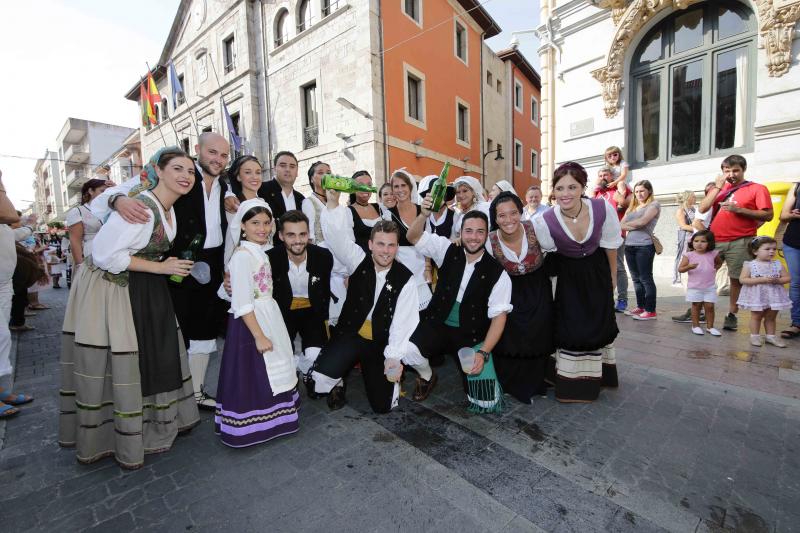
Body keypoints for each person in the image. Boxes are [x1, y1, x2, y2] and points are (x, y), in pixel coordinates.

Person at [59, 148, 200, 469]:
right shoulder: (143, 208)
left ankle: (152, 425)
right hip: (110, 287)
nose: (185, 176)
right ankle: (117, 437)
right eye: (177, 168)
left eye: (191, 171)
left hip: (142, 284)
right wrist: (163, 268)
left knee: (152, 352)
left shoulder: (165, 207)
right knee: (121, 359)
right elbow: (106, 255)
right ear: (158, 171)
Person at [97, 132, 232, 410]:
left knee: (206, 331)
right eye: (212, 153)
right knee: (173, 333)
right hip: (173, 269)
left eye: (223, 155)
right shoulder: (176, 172)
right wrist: (119, 201)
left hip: (212, 268)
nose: (218, 159)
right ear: (198, 150)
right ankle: (171, 398)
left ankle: (196, 393)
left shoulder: (226, 185)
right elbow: (109, 195)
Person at [311, 190, 423, 413]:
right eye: (380, 244)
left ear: (397, 247)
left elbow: (404, 322)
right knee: (319, 380)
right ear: (370, 244)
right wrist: (332, 204)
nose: (386, 251)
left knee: (382, 407)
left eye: (391, 245)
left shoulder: (405, 280)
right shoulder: (358, 259)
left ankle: (382, 381)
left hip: (379, 342)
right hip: (351, 334)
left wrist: (393, 357)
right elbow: (336, 239)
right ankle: (337, 380)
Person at [404, 197, 512, 403]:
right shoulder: (446, 249)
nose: (474, 237)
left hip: (471, 334)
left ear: (487, 235)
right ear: (460, 233)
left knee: (485, 401)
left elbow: (499, 318)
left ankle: (477, 380)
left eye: (480, 232)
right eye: (468, 231)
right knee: (408, 351)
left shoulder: (498, 272)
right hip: (438, 324)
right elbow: (412, 236)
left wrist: (483, 353)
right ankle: (427, 376)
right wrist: (424, 214)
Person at [532, 162, 622, 403]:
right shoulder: (546, 219)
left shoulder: (602, 208)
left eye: (572, 187)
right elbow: (545, 253)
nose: (565, 193)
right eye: (560, 188)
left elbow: (611, 246)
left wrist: (612, 277)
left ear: (583, 187)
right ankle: (571, 385)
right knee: (572, 325)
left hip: (597, 272)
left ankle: (598, 378)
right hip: (568, 278)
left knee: (596, 321)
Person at [215, 199, 299, 447]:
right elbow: (242, 302)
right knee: (254, 372)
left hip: (267, 313)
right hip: (251, 322)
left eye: (266, 222)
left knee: (270, 367)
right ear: (242, 225)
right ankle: (252, 424)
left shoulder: (259, 251)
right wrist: (259, 335)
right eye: (254, 223)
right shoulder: (242, 256)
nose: (262, 228)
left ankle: (274, 419)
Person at [486, 192, 554, 403]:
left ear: (521, 212)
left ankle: (536, 383)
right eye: (502, 215)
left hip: (538, 287)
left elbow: (553, 251)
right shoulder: (490, 241)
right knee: (511, 335)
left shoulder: (536, 228)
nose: (508, 220)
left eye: (513, 213)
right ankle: (511, 383)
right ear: (495, 219)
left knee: (537, 333)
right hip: (509, 290)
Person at [697, 155, 773, 331]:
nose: (731, 174)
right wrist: (717, 186)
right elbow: (702, 209)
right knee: (702, 274)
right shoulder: (720, 189)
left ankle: (732, 314)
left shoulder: (757, 188)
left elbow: (768, 215)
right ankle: (696, 309)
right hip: (714, 240)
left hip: (740, 240)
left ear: (743, 170)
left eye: (735, 170)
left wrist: (738, 210)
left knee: (736, 280)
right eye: (727, 171)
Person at [267, 210, 333, 397]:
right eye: (291, 235)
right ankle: (290, 376)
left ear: (308, 234)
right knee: (281, 354)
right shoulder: (270, 258)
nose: (298, 240)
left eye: (302, 234)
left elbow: (323, 292)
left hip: (312, 311)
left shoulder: (323, 256)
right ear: (280, 236)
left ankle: (309, 375)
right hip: (282, 312)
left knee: (314, 354)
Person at [0, 169, 35, 418]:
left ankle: (2, 391)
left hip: (3, 283)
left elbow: (13, 229)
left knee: (2, 341)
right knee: (0, 338)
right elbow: (11, 214)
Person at [383, 169, 432, 308]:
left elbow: (428, 241)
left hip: (422, 269)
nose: (400, 190)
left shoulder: (422, 210)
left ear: (410, 188)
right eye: (396, 186)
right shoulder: (388, 215)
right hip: (400, 269)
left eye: (403, 185)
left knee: (424, 314)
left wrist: (428, 268)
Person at [738, 236, 791, 347]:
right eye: (767, 249)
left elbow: (787, 278)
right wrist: (760, 279)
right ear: (755, 251)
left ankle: (770, 336)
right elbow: (742, 279)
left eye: (774, 249)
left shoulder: (777, 264)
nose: (771, 251)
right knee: (756, 316)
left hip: (774, 295)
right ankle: (754, 336)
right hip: (757, 295)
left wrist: (778, 280)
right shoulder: (750, 265)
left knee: (771, 317)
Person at [593, 166, 631, 313]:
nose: (603, 177)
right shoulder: (596, 194)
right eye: (600, 175)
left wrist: (620, 196)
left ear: (612, 177)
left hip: (616, 236)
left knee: (619, 267)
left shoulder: (617, 191)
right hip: (598, 237)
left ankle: (622, 300)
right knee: (601, 268)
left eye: (606, 175)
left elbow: (629, 205)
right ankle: (606, 298)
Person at [621, 180, 661, 320]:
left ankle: (650, 310)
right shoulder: (633, 206)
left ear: (649, 191)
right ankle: (641, 307)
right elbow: (621, 224)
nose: (639, 194)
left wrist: (630, 224)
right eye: (636, 191)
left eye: (642, 191)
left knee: (645, 278)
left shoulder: (654, 205)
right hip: (629, 246)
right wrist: (635, 225)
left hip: (644, 246)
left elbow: (644, 222)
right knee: (636, 279)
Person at [224, 155, 274, 263]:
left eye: (258, 172)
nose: (254, 177)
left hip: (266, 262)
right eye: (248, 172)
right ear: (238, 177)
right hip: (242, 264)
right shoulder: (233, 205)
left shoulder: (264, 203)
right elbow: (230, 242)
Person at [677, 230, 723, 336]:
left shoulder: (713, 254)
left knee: (710, 306)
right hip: (695, 287)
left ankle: (710, 327)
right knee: (696, 305)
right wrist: (688, 266)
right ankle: (695, 326)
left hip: (709, 286)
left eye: (703, 241)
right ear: (692, 242)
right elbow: (680, 269)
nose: (699, 244)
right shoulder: (688, 255)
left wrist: (715, 268)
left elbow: (719, 262)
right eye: (696, 241)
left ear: (710, 243)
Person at [66, 178, 110, 271]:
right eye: (102, 191)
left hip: (112, 254)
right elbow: (75, 241)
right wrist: (80, 265)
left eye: (109, 191)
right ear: (90, 191)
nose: (106, 193)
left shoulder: (112, 210)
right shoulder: (78, 211)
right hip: (90, 256)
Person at [779, 182, 800, 339]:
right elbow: (783, 215)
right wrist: (793, 214)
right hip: (793, 242)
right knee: (796, 283)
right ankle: (797, 323)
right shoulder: (797, 186)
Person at [348, 171, 383, 253]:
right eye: (360, 185)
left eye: (369, 185)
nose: (365, 188)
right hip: (363, 261)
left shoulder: (379, 208)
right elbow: (349, 244)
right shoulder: (348, 212)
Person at [417, 175, 456, 239]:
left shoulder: (454, 216)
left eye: (440, 192)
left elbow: (454, 241)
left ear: (445, 195)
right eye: (434, 193)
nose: (437, 196)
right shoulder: (423, 214)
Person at [673, 190, 697, 285]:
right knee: (682, 256)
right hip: (685, 236)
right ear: (688, 198)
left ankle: (690, 278)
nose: (695, 198)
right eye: (693, 196)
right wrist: (697, 230)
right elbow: (683, 226)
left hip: (694, 236)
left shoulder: (694, 209)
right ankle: (677, 279)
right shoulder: (681, 210)